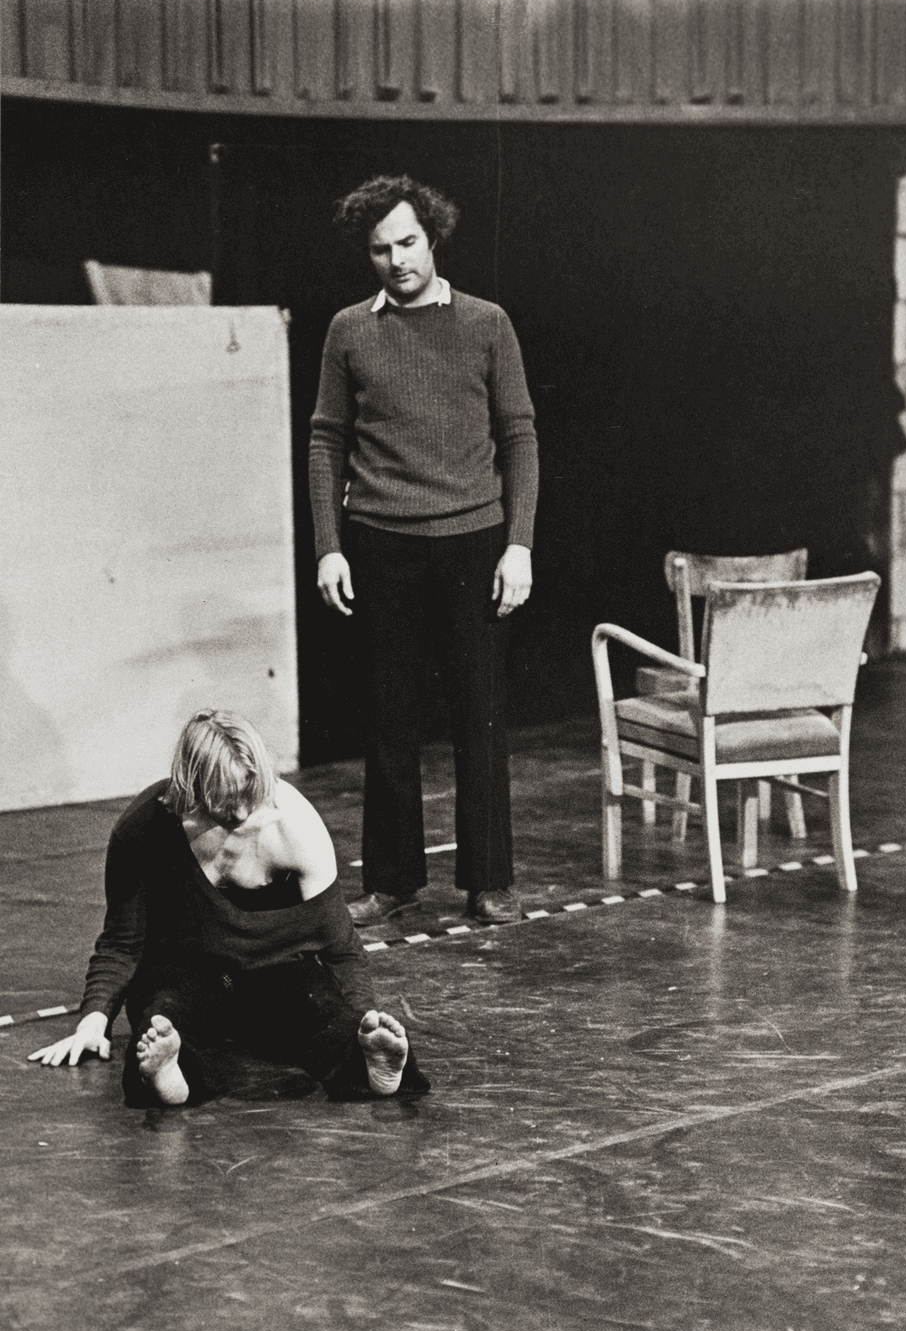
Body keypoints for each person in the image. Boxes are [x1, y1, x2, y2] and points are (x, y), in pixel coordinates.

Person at [309, 174, 537, 927]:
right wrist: (329, 546)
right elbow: (326, 440)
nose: (396, 259)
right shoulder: (349, 329)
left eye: (407, 242)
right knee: (388, 720)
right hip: (380, 545)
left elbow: (519, 437)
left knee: (480, 717)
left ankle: (488, 879)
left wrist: (519, 544)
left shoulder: (486, 323)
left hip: (472, 542)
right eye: (380, 249)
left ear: (432, 236)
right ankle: (392, 879)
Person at [28, 710, 430, 1107]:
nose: (239, 813)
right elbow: (122, 941)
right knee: (160, 1017)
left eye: (247, 795)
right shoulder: (143, 826)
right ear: (193, 785)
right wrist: (94, 1018)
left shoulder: (294, 827)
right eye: (224, 800)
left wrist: (364, 1019)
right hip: (185, 969)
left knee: (321, 1010)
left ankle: (370, 1068)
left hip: (276, 971)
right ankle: (172, 1079)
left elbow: (340, 947)